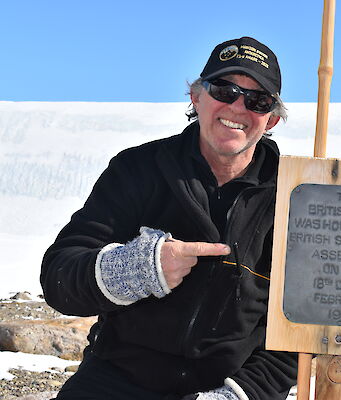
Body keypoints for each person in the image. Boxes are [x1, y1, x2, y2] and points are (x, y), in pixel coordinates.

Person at [41, 36, 297, 400]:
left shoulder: (292, 196)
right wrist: (136, 269)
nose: (238, 106)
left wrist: (237, 395)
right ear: (196, 96)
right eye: (224, 89)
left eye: (258, 100)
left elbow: (300, 329)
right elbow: (58, 280)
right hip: (116, 378)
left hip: (228, 388)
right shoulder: (138, 169)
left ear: (271, 119)